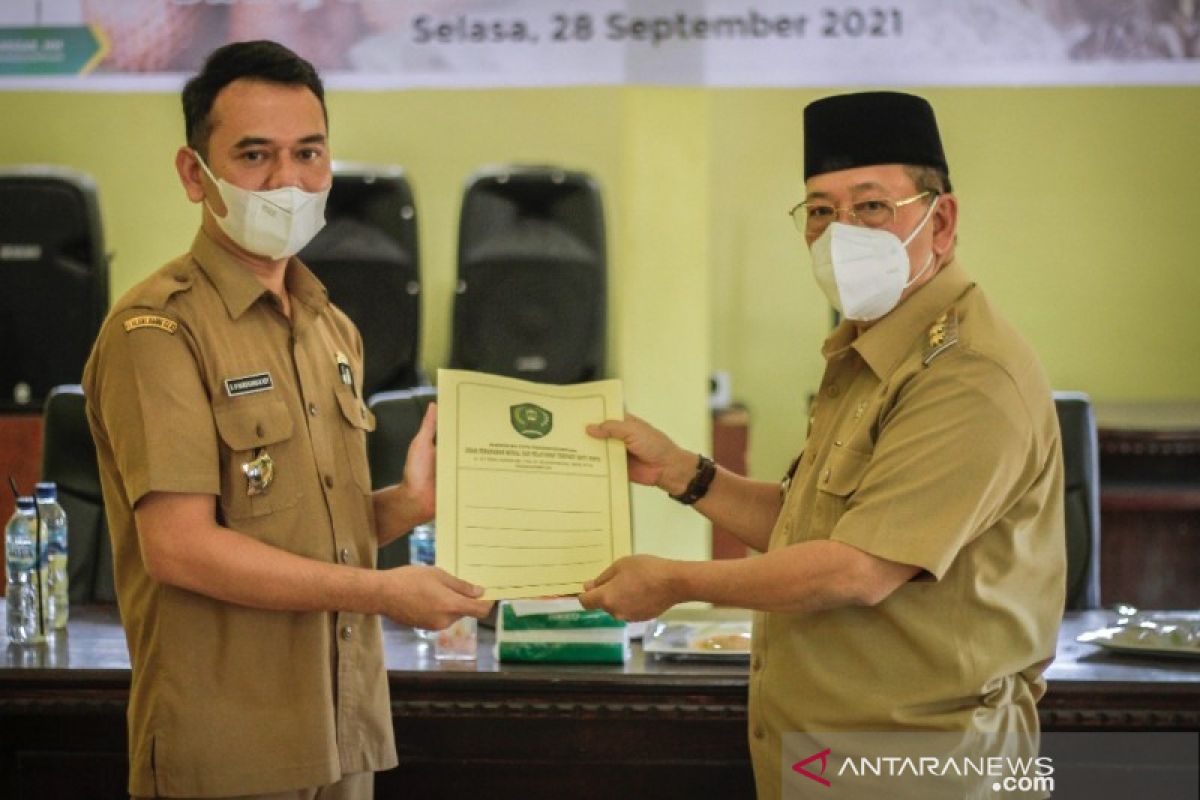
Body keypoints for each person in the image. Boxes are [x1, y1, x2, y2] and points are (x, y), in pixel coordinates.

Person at [580, 91, 1065, 798]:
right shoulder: (870, 352)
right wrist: (684, 473)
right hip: (830, 759)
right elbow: (811, 528)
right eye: (819, 211)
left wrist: (677, 582)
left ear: (942, 220)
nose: (841, 233)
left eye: (871, 207)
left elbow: (854, 569)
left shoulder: (966, 373)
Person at [82, 40, 492, 799]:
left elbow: (310, 537)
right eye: (254, 155)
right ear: (192, 174)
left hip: (343, 732)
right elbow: (181, 549)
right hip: (230, 749)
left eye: (308, 152)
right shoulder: (158, 330)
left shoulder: (330, 326)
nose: (288, 182)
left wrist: (409, 505)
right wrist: (383, 592)